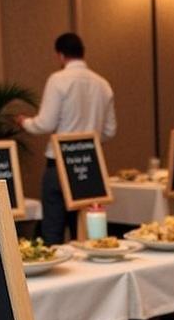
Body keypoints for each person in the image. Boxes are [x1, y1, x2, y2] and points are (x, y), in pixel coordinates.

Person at [15, 32, 117, 244]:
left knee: (53, 231)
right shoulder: (103, 84)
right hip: (90, 166)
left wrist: (25, 122)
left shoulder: (58, 80)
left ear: (60, 55)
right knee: (86, 233)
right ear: (82, 53)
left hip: (60, 164)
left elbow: (46, 123)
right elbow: (109, 131)